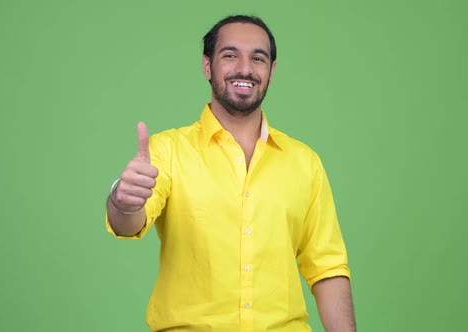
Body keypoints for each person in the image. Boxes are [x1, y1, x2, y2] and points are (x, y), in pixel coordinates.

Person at [106, 15, 357, 332]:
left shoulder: (305, 162)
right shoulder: (168, 150)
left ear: (271, 71)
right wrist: (123, 202)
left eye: (258, 58)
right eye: (230, 55)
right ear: (207, 66)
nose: (245, 68)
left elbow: (327, 268)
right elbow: (128, 223)